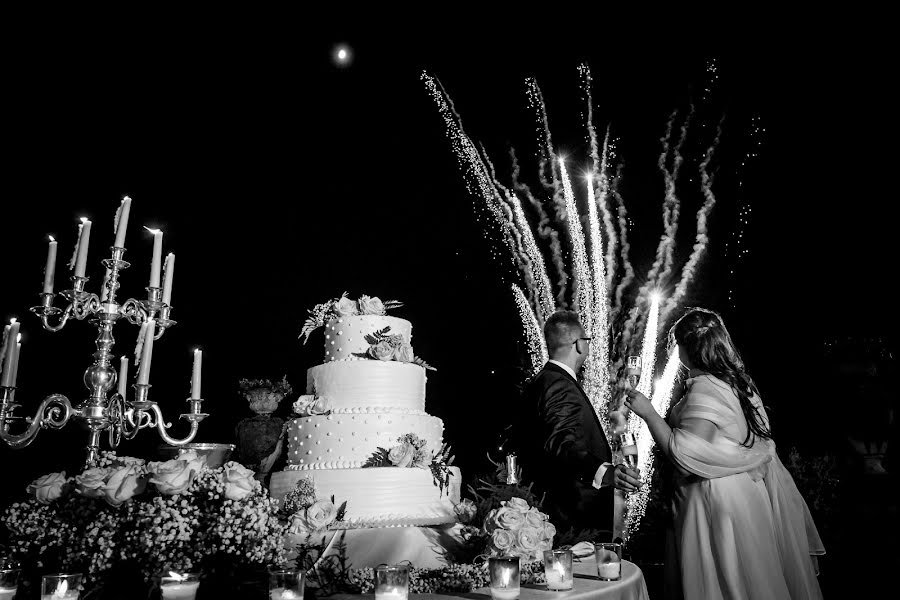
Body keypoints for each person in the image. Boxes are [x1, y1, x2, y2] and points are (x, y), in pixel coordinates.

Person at [625, 308, 824, 600]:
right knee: (752, 581)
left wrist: (649, 413)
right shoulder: (739, 384)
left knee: (724, 582)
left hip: (714, 503)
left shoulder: (704, 390)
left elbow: (684, 454)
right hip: (747, 496)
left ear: (685, 349)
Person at [513, 310, 642, 538]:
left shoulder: (540, 382)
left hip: (550, 511)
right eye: (587, 340)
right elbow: (562, 442)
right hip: (572, 519)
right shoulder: (559, 385)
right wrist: (605, 472)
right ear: (579, 345)